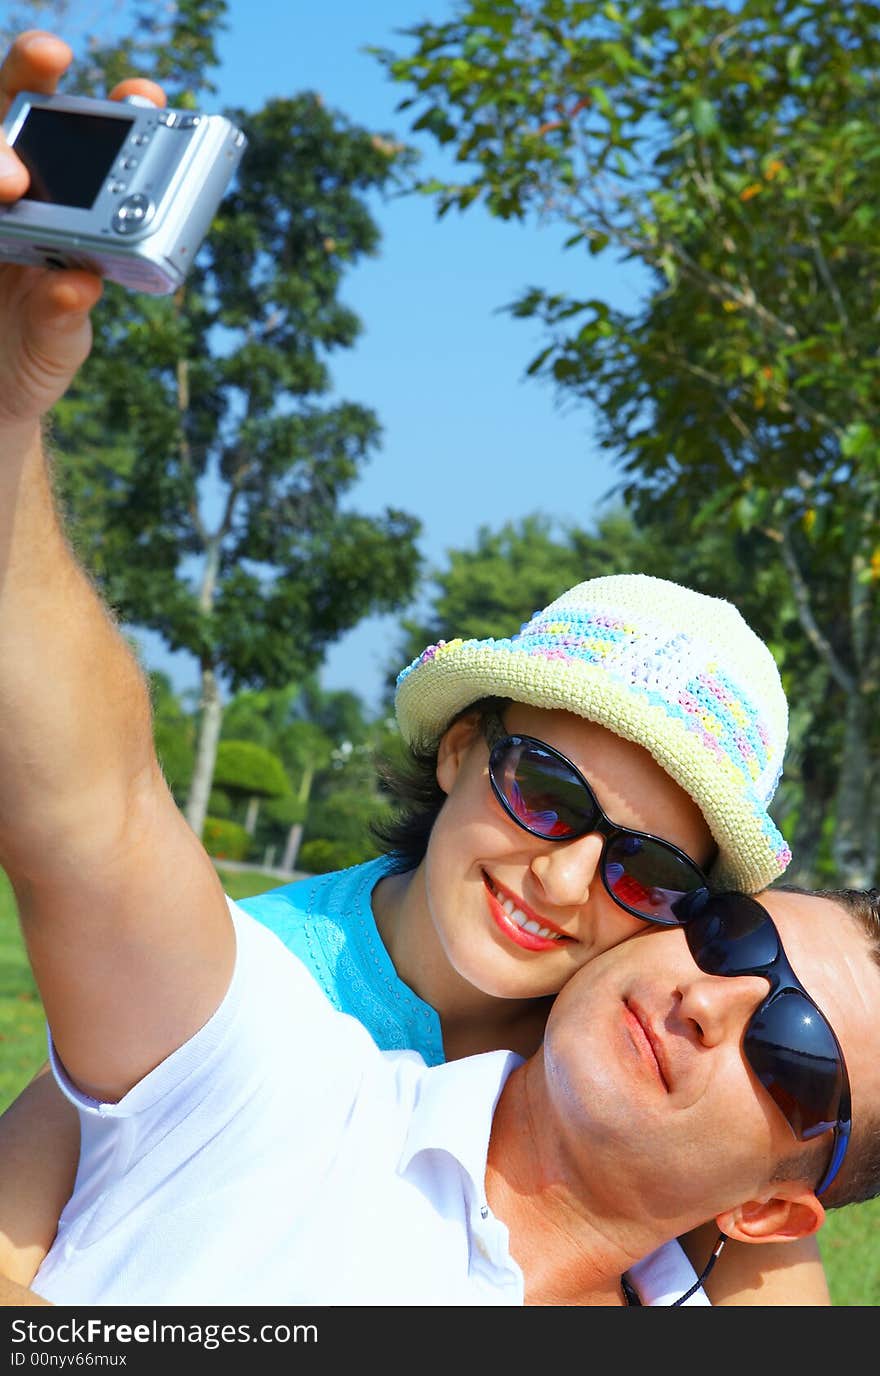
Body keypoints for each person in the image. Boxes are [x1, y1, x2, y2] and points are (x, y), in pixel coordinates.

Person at [0, 28, 832, 1307]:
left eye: (648, 869)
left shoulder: (627, 1070)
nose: (563, 875)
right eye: (545, 789)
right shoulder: (245, 983)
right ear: (460, 748)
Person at [12, 881, 880, 1306]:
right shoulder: (276, 1043)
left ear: (769, 1215)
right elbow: (96, 804)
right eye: (732, 934)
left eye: (792, 1055)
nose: (706, 999)